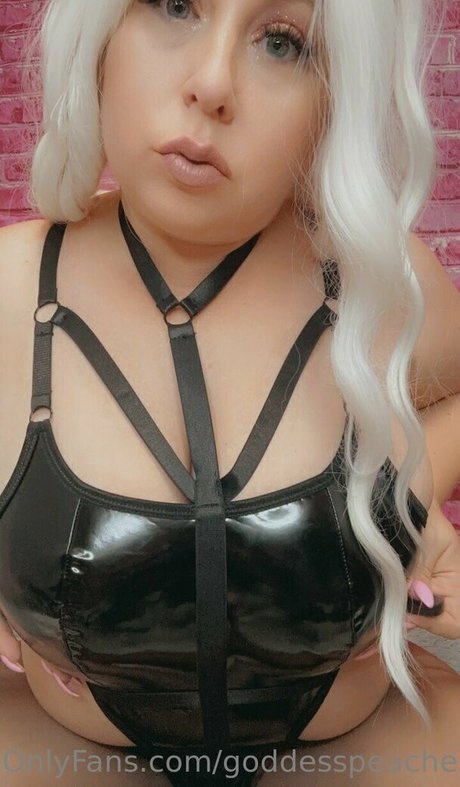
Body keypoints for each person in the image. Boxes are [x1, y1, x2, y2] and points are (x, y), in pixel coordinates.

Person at [0, 0, 460, 784]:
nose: (212, 84)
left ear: (334, 97)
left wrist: (414, 484)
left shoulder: (385, 287)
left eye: (282, 43)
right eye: (176, 4)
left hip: (360, 746)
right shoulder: (11, 288)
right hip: (65, 747)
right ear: (101, 31)